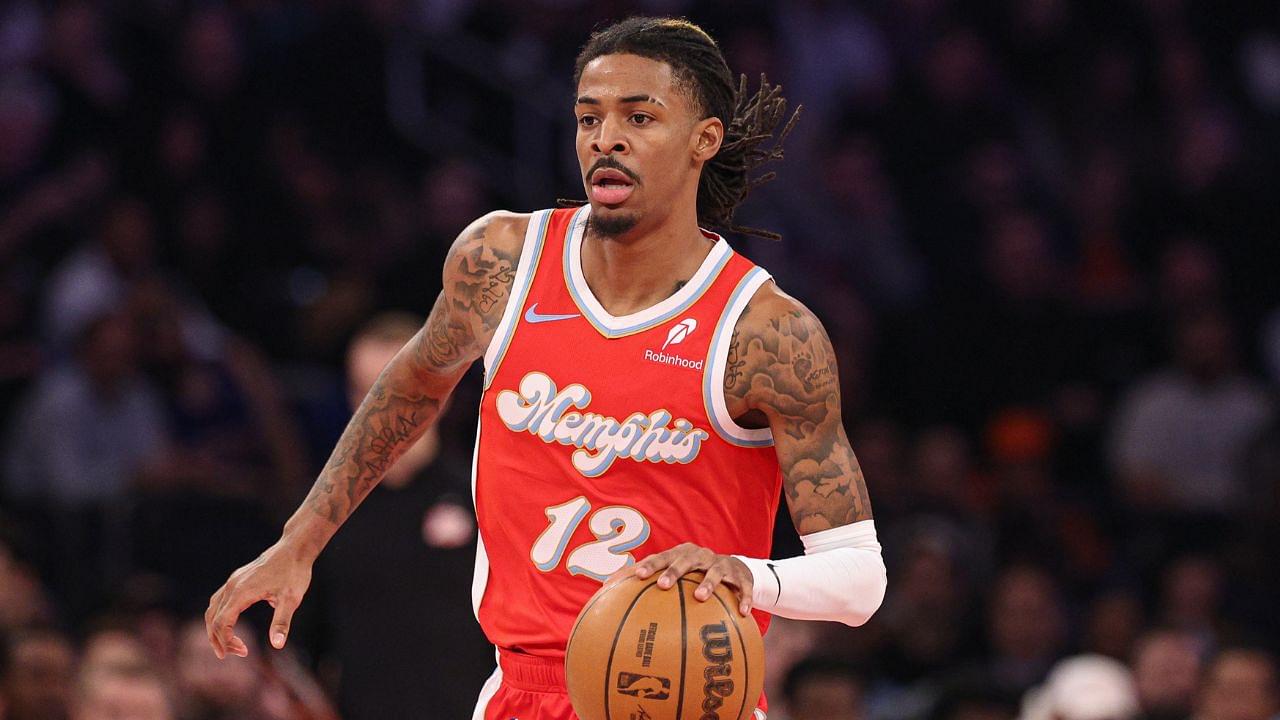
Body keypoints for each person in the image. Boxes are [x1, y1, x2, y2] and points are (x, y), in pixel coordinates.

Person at [205, 16, 887, 719]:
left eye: (639, 116)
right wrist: (301, 540)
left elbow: (860, 582)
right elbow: (409, 389)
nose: (606, 139)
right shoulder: (500, 261)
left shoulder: (767, 333)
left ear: (703, 140)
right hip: (523, 693)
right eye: (588, 117)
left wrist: (744, 574)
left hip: (687, 698)